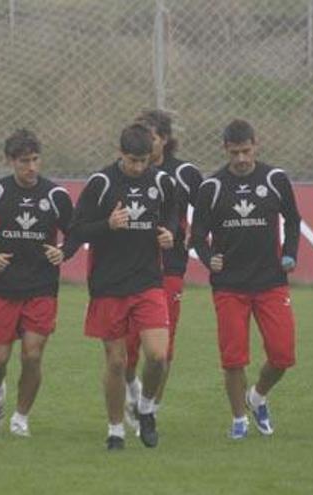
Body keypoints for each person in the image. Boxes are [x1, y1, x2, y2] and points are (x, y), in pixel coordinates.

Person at [189, 119, 301, 440]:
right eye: (235, 152)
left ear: (256, 145)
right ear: (225, 149)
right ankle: (239, 419)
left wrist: (290, 252)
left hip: (271, 281)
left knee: (283, 355)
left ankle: (258, 397)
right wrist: (209, 257)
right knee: (234, 358)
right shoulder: (211, 188)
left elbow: (293, 220)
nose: (241, 159)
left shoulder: (275, 179)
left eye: (246, 151)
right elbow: (197, 235)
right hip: (229, 285)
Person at [68, 123, 177, 450]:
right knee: (116, 362)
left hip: (148, 282)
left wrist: (170, 233)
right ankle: (115, 429)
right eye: (132, 160)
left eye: (144, 160)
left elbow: (172, 214)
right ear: (120, 154)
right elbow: (77, 230)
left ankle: (146, 409)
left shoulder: (161, 182)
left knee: (158, 356)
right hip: (109, 286)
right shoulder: (101, 183)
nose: (138, 167)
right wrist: (108, 225)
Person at [0, 129, 73, 437]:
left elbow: (76, 232)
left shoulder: (55, 196)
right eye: (24, 161)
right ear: (9, 161)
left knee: (32, 354)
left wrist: (63, 251)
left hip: (41, 286)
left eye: (35, 160)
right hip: (2, 287)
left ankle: (20, 417)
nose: (31, 167)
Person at [123, 110, 203, 434]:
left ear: (165, 140)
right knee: (126, 348)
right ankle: (131, 391)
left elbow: (212, 208)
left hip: (169, 268)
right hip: (128, 270)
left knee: (162, 348)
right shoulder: (126, 172)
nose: (147, 143)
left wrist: (194, 235)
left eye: (152, 137)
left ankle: (150, 411)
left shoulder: (184, 173)